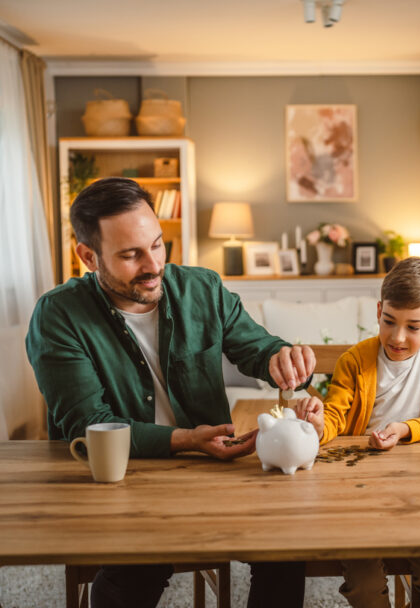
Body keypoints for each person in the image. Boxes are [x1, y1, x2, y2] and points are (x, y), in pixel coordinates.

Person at [25, 177, 319, 608]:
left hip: (211, 473)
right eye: (130, 254)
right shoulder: (59, 315)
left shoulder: (203, 288)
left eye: (158, 245)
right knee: (138, 566)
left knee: (285, 546)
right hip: (124, 480)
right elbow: (90, 427)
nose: (153, 264)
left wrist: (282, 358)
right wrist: (185, 440)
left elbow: (257, 348)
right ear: (88, 256)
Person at [298, 256, 420, 608]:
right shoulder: (355, 361)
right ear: (378, 311)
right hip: (359, 490)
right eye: (389, 321)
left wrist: (405, 429)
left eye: (413, 327)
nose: (398, 337)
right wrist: (317, 424)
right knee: (364, 583)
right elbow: (336, 420)